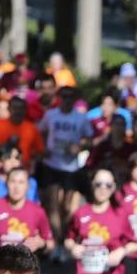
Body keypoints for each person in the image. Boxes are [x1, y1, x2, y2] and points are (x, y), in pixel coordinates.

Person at [0, 165, 53, 274]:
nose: (16, 187)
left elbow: (50, 243)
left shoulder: (37, 211)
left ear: (28, 186)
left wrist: (41, 244)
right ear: (6, 184)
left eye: (21, 182)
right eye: (12, 182)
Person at [37, 86, 93, 257]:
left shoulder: (81, 118)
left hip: (71, 166)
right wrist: (43, 148)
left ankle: (61, 238)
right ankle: (57, 240)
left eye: (71, 97)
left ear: (75, 99)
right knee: (52, 205)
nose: (67, 100)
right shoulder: (51, 115)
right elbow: (39, 132)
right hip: (52, 163)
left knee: (67, 207)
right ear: (59, 97)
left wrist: (80, 146)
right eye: (64, 96)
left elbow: (90, 139)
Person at [0, 95, 44, 169]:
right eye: (15, 108)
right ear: (9, 109)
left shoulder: (32, 128)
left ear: (26, 110)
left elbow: (39, 151)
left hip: (22, 171)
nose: (18, 111)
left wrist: (32, 165)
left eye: (21, 108)